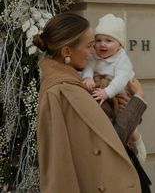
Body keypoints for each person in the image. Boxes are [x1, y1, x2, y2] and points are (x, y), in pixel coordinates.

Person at [33, 12, 148, 193]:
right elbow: (111, 139)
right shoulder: (64, 91)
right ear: (66, 52)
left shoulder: (75, 82)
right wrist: (138, 98)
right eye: (89, 45)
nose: (94, 51)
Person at [82, 13, 147, 163]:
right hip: (103, 93)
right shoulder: (94, 57)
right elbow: (88, 66)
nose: (102, 44)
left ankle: (136, 138)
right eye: (98, 40)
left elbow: (121, 79)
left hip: (118, 92)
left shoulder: (122, 59)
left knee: (123, 116)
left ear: (119, 44)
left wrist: (107, 92)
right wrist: (87, 77)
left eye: (109, 40)